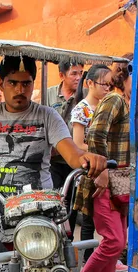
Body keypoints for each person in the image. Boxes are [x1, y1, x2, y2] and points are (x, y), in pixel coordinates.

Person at [0, 55, 107, 257]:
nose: (20, 90)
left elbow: (73, 155)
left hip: (39, 202)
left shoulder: (47, 115)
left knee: (58, 250)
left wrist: (90, 159)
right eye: (13, 83)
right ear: (1, 84)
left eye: (26, 83)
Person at [74, 61, 133, 272]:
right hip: (106, 181)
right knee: (114, 241)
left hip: (119, 181)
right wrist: (104, 170)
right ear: (126, 79)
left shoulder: (119, 101)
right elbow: (95, 134)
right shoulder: (115, 100)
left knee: (117, 241)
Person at [68, 64, 112, 263]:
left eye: (110, 85)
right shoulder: (81, 110)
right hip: (89, 170)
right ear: (90, 83)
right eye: (104, 84)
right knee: (88, 220)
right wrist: (101, 151)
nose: (107, 89)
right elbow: (78, 144)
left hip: (107, 167)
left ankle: (105, 256)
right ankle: (88, 260)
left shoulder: (107, 107)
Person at [46, 60, 85, 189]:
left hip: (78, 159)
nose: (78, 77)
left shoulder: (86, 95)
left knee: (73, 201)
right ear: (61, 75)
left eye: (81, 73)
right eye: (73, 74)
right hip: (54, 161)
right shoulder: (48, 95)